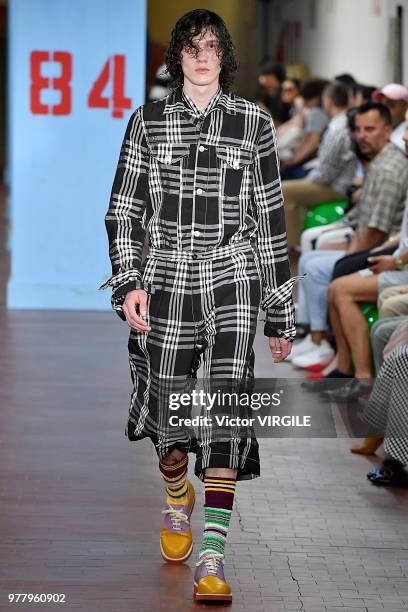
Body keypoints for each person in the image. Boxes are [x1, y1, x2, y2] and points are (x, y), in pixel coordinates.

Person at [100, 9, 298, 603]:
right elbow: (124, 210)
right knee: (170, 412)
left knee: (227, 411)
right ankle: (175, 492)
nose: (202, 56)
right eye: (191, 46)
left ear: (225, 55)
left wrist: (280, 313)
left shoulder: (253, 123)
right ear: (178, 57)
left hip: (234, 274)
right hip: (165, 274)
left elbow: (269, 219)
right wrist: (129, 281)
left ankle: (213, 556)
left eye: (212, 46)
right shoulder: (148, 122)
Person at [292, 103, 408, 371]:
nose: (361, 136)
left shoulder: (390, 168)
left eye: (370, 129)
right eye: (359, 130)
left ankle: (351, 369)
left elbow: (377, 232)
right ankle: (322, 343)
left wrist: (393, 260)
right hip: (393, 255)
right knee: (316, 256)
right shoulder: (383, 162)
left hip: (397, 263)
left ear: (387, 130)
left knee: (339, 283)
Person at [282, 81, 356, 248]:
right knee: (295, 186)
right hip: (343, 182)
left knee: (283, 190)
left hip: (336, 187)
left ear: (327, 102)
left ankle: (292, 249)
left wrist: (309, 177)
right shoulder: (346, 123)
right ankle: (297, 240)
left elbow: (324, 174)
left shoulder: (337, 128)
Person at [279, 78, 329, 181]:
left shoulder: (317, 113)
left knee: (282, 174)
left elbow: (311, 143)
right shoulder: (318, 112)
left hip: (314, 165)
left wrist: (290, 162)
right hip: (317, 163)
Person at [373, 83, 408, 151]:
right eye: (381, 106)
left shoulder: (404, 139)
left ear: (406, 106)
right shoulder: (382, 131)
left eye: (390, 105)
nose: (384, 111)